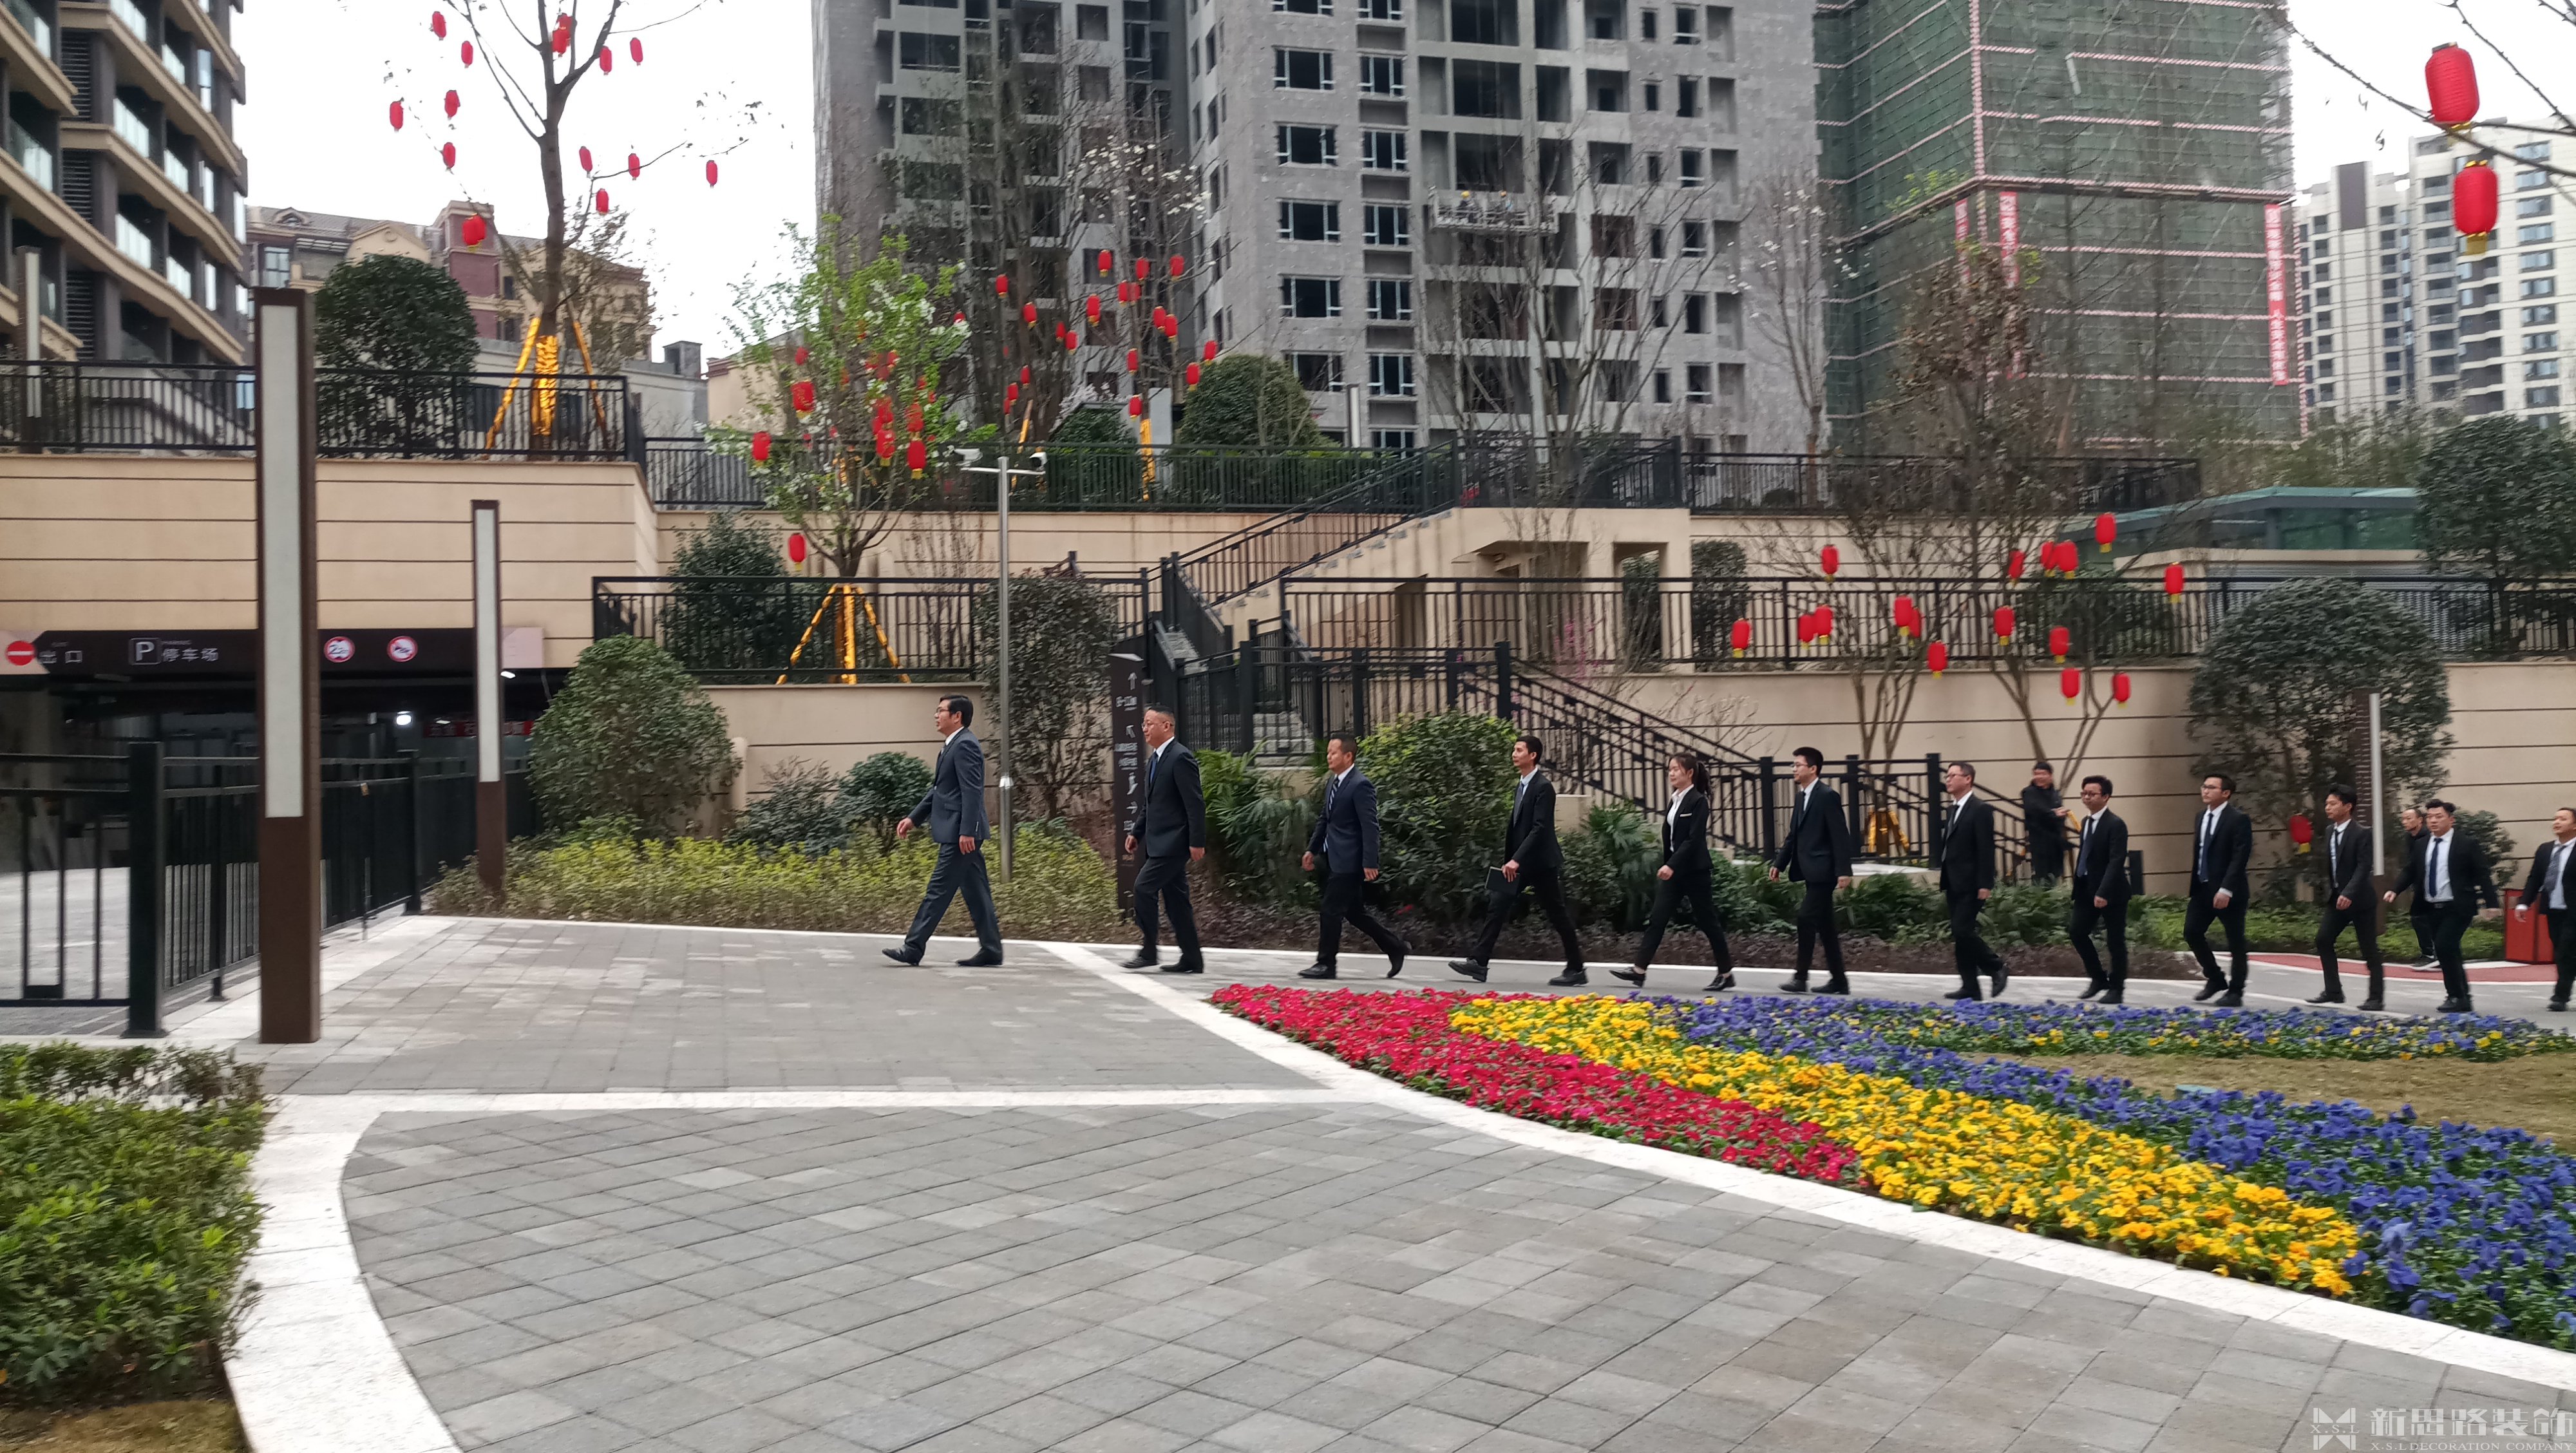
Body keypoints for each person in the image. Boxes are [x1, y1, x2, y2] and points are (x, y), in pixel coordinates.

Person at [1450, 734, 1584, 987]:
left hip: (1540, 864)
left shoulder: (1543, 787)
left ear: (1533, 755)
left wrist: (1516, 860)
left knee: (1557, 914)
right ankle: (1479, 962)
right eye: (1514, 749)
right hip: (1519, 864)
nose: (1514, 754)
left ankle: (1576, 968)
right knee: (1497, 905)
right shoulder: (1521, 785)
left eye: (1519, 750)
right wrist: (1512, 859)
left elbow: (1540, 828)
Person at [886, 694, 1005, 967]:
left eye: (941, 711)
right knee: (977, 892)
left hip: (959, 834)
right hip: (958, 831)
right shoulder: (953, 745)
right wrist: (914, 818)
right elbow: (940, 790)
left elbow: (972, 791)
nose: (936, 716)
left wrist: (967, 831)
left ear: (957, 716)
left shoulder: (965, 745)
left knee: (938, 890)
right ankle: (992, 950)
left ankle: (913, 947)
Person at [1613, 751, 1735, 993]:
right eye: (1669, 769)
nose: (1671, 773)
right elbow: (1671, 837)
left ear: (1689, 773)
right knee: (1657, 919)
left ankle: (1726, 974)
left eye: (1676, 769)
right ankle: (1639, 970)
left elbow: (1693, 839)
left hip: (1695, 872)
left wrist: (1672, 864)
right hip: (1675, 873)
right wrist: (1670, 864)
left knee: (1708, 922)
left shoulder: (1699, 801)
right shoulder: (1674, 800)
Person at [1300, 733, 1408, 980]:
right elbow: (1325, 819)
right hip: (1333, 857)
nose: (1329, 757)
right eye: (1328, 752)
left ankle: (1326, 964)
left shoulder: (1361, 785)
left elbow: (1370, 826)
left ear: (1348, 756)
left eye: (1334, 753)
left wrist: (1370, 862)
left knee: (1330, 910)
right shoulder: (1333, 782)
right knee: (1354, 912)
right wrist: (1312, 850)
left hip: (1350, 861)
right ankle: (1395, 947)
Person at [2385, 799, 2495, 1014]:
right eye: (2430, 817)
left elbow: (2482, 873)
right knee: (2450, 950)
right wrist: (2395, 889)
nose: (2433, 821)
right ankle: (2462, 997)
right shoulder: (2422, 844)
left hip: (2458, 906)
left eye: (2439, 817)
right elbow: (2410, 870)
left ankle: (2455, 995)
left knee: (2444, 946)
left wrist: (2492, 903)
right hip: (2432, 906)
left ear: (2451, 820)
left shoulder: (2466, 843)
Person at [1122, 706, 1207, 974]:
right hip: (1158, 842)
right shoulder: (1155, 760)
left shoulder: (1180, 758)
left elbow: (1195, 803)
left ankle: (1149, 951)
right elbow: (1151, 804)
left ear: (1167, 726)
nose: (1144, 729)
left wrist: (1197, 841)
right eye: (1144, 724)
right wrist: (1137, 833)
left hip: (1174, 843)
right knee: (1177, 902)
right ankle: (1192, 959)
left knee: (1143, 888)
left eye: (1150, 723)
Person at [1767, 746, 1853, 994]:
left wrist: (1844, 870)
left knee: (1806, 918)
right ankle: (1839, 981)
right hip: (1809, 870)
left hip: (1824, 872)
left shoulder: (1827, 796)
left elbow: (1839, 835)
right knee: (1826, 927)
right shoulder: (1801, 797)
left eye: (1798, 765)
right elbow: (1793, 836)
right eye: (1793, 765)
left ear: (1813, 769)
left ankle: (1801, 978)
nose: (1794, 769)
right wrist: (1779, 864)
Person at [2185, 773, 2255, 1006]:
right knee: (2192, 932)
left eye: (2211, 787)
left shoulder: (2238, 819)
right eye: (2204, 786)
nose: (2205, 791)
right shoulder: (2200, 817)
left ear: (2226, 793)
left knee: (2236, 942)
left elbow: (2240, 857)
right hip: (2202, 888)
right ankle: (2215, 978)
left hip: (2229, 892)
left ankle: (2236, 992)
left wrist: (2226, 889)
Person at [1937, 762, 2005, 1001]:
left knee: (1962, 930)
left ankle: (1996, 966)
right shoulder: (1953, 809)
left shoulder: (1980, 809)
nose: (1948, 779)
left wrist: (1985, 883)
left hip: (1972, 882)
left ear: (1968, 779)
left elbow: (1986, 849)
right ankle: (1970, 986)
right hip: (1953, 881)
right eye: (1947, 776)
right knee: (1960, 935)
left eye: (1953, 775)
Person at [2313, 784, 2384, 1011]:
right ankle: (2333, 991)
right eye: (2327, 804)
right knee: (2323, 939)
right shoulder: (2329, 831)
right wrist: (2335, 891)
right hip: (2337, 899)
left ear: (2348, 807)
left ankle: (2376, 998)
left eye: (2333, 804)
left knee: (2368, 948)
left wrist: (2349, 893)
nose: (2328, 808)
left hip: (2360, 901)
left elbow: (2363, 867)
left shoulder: (2362, 833)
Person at [2067, 774, 2130, 1003]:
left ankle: (2117, 989)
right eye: (2084, 793)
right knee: (2077, 932)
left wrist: (2103, 892)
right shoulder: (2086, 822)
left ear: (2106, 797)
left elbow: (2116, 860)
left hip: (2111, 892)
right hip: (2086, 888)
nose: (2087, 798)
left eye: (2092, 794)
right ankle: (2098, 978)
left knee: (2115, 941)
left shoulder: (2115, 824)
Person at [2514, 806, 2576, 1012]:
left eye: (2563, 819)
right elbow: (2535, 879)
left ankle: (2560, 996)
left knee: (2565, 951)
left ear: (2575, 825)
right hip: (2554, 910)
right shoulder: (2545, 849)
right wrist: (2524, 903)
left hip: (2574, 911)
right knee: (2561, 951)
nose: (2556, 822)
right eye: (2555, 818)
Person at [2400, 805, 2437, 971]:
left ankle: (2430, 954)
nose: (2405, 822)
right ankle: (2432, 954)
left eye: (2409, 818)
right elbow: (2411, 866)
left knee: (2421, 917)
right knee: (2420, 917)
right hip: (2420, 885)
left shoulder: (2429, 837)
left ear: (2420, 820)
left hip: (2432, 886)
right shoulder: (2410, 838)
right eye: (2403, 819)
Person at [2022, 762, 2068, 885]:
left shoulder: (2055, 793)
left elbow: (2059, 814)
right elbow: (2034, 810)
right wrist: (2053, 813)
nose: (2039, 777)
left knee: (2056, 874)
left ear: (2050, 776)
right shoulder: (2029, 792)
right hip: (2039, 840)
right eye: (2036, 774)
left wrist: (2057, 815)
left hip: (2056, 840)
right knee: (2042, 874)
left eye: (2043, 774)